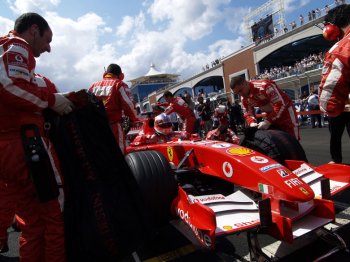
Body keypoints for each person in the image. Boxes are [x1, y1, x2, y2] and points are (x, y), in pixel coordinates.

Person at [0, 12, 73, 261]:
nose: (49, 48)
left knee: (32, 221)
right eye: (47, 39)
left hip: (8, 148)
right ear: (33, 30)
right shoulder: (16, 47)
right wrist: (51, 100)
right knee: (54, 214)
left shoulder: (4, 50)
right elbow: (10, 86)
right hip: (25, 146)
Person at [319, 4, 350, 163]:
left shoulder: (340, 48)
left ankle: (336, 162)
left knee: (335, 135)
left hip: (343, 104)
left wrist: (328, 106)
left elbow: (328, 94)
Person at [89, 63, 140, 154]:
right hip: (114, 126)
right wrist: (134, 119)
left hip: (96, 126)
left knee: (102, 154)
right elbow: (129, 105)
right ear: (121, 75)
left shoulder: (93, 86)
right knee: (119, 153)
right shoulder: (119, 84)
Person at [230, 76, 300, 140]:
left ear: (245, 83)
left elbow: (280, 104)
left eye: (240, 90)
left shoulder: (265, 86)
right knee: (275, 141)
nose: (240, 94)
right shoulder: (244, 98)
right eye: (237, 93)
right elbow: (248, 113)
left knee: (293, 140)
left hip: (286, 113)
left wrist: (268, 121)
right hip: (270, 114)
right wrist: (252, 123)